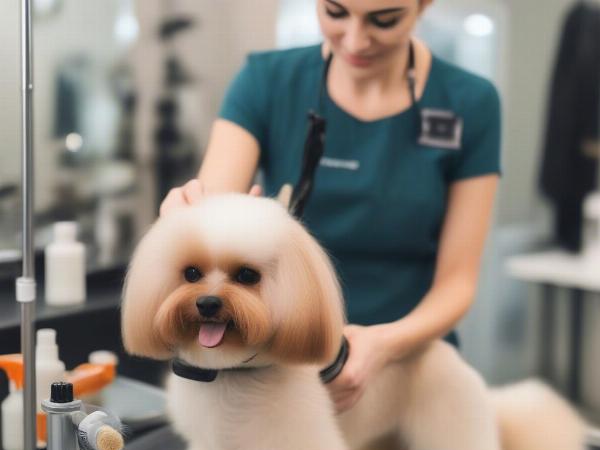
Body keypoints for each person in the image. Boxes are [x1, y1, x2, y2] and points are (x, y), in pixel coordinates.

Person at [160, 0, 501, 414]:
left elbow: (458, 282)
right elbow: (212, 211)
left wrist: (383, 346)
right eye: (335, 13)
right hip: (283, 371)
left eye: (385, 19)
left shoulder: (470, 102)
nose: (355, 40)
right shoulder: (266, 81)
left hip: (410, 371)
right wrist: (188, 223)